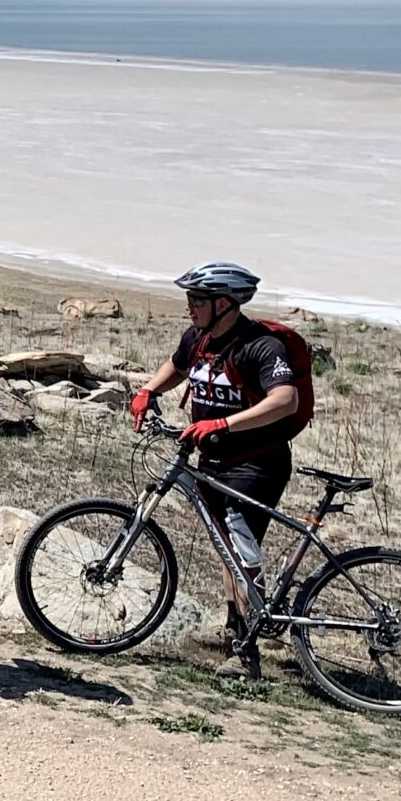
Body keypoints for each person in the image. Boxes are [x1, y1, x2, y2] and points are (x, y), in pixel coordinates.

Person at [129, 261, 304, 678]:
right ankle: (234, 630)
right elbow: (178, 365)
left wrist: (223, 424)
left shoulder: (260, 346)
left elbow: (285, 400)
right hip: (212, 460)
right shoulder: (199, 338)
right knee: (228, 550)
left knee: (240, 552)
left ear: (223, 303)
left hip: (257, 462)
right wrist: (148, 389)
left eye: (196, 300)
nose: (189, 307)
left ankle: (246, 654)